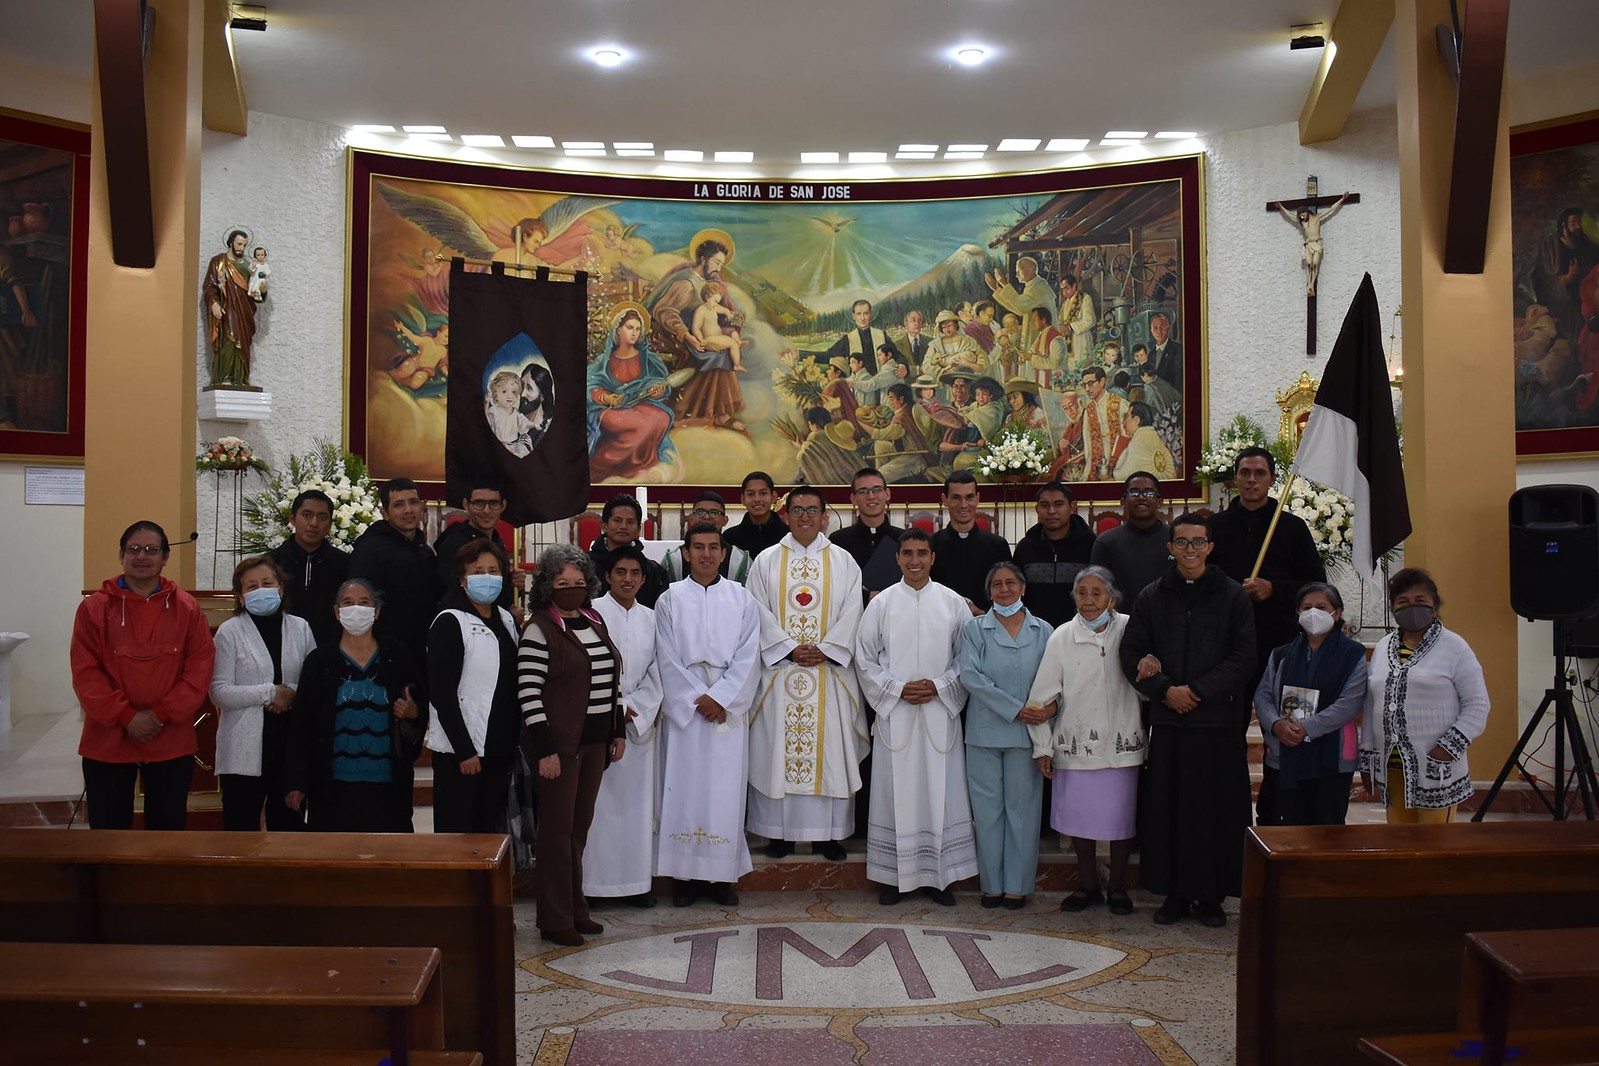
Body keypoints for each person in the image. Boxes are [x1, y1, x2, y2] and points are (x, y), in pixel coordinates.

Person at [1119, 513, 1255, 928]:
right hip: (1172, 725)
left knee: (1216, 813)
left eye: (1198, 542)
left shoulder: (1233, 596)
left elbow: (1243, 657)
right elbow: (1131, 654)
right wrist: (1164, 691)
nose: (1190, 550)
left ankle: (1212, 896)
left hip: (1217, 723)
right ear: (1170, 547)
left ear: (1210, 548)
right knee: (1170, 811)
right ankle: (1175, 893)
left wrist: (1195, 692)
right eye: (1182, 542)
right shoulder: (1151, 596)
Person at [856, 529, 979, 905]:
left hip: (940, 713)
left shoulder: (953, 602)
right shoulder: (882, 604)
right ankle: (894, 878)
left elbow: (967, 656)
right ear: (897, 559)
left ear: (932, 558)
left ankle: (938, 878)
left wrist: (941, 685)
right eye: (907, 553)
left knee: (940, 793)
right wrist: (896, 689)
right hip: (898, 714)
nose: (914, 560)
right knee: (896, 794)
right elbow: (865, 658)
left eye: (921, 553)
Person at [71, 521, 216, 830]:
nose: (142, 556)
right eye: (134, 549)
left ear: (165, 558)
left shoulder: (187, 608)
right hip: (109, 738)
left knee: (167, 832)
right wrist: (126, 716)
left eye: (151, 550)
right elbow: (86, 673)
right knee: (108, 834)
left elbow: (199, 670)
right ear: (121, 555)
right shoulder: (94, 609)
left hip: (169, 737)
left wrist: (160, 713)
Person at [747, 487, 866, 861]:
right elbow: (755, 610)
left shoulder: (844, 561)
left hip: (828, 675)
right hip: (781, 674)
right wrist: (787, 647)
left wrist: (826, 650)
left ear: (824, 517)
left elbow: (853, 612)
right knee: (775, 750)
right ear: (786, 515)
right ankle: (776, 834)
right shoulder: (765, 561)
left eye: (812, 510)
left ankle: (828, 835)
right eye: (797, 510)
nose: (804, 517)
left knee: (829, 750)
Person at [1208, 447, 1326, 825]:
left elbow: (1315, 587)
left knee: (1288, 730)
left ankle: (1280, 813)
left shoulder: (1290, 527)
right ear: (1235, 479)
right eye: (1245, 472)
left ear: (1273, 479)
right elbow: (1203, 580)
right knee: (1228, 732)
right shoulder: (1217, 528)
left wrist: (1274, 588)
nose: (1252, 480)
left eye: (1260, 473)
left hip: (1283, 649)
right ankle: (1230, 813)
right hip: (1229, 649)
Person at [518, 546, 625, 945]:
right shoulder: (539, 628)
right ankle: (554, 916)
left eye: (579, 583)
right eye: (563, 583)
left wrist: (617, 731)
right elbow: (527, 693)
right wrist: (544, 750)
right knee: (557, 834)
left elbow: (610, 680)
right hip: (561, 747)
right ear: (547, 586)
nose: (572, 589)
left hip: (595, 742)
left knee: (578, 831)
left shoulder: (594, 619)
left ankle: (576, 906)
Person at [654, 524, 764, 907]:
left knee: (724, 791)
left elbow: (751, 656)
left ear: (723, 554)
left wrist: (722, 698)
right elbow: (664, 655)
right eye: (697, 547)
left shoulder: (742, 598)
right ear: (685, 553)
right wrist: (694, 699)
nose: (705, 554)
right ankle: (684, 877)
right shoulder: (669, 599)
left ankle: (720, 878)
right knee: (682, 790)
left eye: (712, 548)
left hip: (725, 712)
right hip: (686, 711)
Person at [1027, 566, 1145, 914]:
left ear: (1112, 598)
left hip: (1122, 744)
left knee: (1121, 820)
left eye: (1097, 593)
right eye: (1082, 593)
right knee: (1080, 820)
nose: (1089, 600)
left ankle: (1119, 887)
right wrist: (1042, 745)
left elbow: (1148, 679)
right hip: (1077, 744)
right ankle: (1087, 885)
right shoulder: (1062, 636)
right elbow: (1041, 696)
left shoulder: (1131, 629)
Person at [284, 578, 425, 833]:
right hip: (332, 787)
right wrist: (297, 781)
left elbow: (418, 702)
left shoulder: (396, 654)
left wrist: (414, 713)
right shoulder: (320, 661)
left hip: (388, 786)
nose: (356, 609)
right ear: (337, 613)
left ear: (377, 611)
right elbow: (302, 725)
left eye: (364, 602)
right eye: (348, 603)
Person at [1360, 569, 1490, 824]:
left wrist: (1447, 749)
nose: (1412, 608)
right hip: (1392, 769)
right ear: (1393, 608)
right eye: (1403, 602)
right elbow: (1371, 704)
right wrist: (1368, 757)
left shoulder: (1455, 647)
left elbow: (1477, 704)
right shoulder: (1384, 647)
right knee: (1399, 843)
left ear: (1434, 605)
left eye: (1420, 601)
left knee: (1435, 847)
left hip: (1436, 769)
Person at [957, 562, 1053, 909]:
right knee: (986, 812)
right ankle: (991, 885)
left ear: (1023, 587)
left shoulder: (1044, 631)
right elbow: (970, 676)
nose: (1004, 589)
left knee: (1023, 812)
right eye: (996, 584)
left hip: (1028, 736)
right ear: (989, 591)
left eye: (1010, 582)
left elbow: (1055, 679)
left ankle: (1017, 885)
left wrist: (1046, 709)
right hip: (984, 734)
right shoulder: (973, 630)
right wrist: (1015, 708)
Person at [210, 555, 315, 831]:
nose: (261, 590)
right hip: (243, 750)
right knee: (239, 829)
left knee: (289, 829)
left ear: (280, 588)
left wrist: (290, 694)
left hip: (289, 748)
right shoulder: (229, 632)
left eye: (267, 583)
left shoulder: (300, 627)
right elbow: (219, 692)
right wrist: (270, 693)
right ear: (241, 597)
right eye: (252, 586)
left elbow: (314, 682)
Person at [585, 547, 665, 907]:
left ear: (644, 579)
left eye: (635, 573)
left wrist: (635, 707)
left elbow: (659, 670)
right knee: (599, 807)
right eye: (620, 572)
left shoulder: (652, 618)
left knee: (637, 807)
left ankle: (636, 884)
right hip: (602, 718)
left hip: (638, 723)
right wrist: (617, 707)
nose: (627, 579)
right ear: (608, 576)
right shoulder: (592, 614)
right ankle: (597, 886)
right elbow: (586, 669)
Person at [426, 540, 521, 834]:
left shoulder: (505, 618)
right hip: (462, 751)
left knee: (489, 830)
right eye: (479, 570)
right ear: (462, 578)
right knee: (458, 831)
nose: (488, 577)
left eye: (494, 570)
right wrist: (464, 750)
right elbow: (442, 693)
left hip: (498, 746)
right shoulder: (450, 621)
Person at [1254, 583, 1367, 826]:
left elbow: (1349, 703)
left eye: (1321, 607)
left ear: (1336, 613)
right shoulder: (1281, 654)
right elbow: (1262, 695)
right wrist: (1276, 725)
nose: (1313, 612)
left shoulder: (1353, 654)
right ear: (1298, 613)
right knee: (1284, 826)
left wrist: (1307, 728)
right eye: (1307, 607)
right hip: (1284, 752)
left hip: (1331, 756)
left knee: (1326, 830)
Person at [647, 237, 749, 432]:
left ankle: (718, 413)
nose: (719, 268)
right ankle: (694, 411)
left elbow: (719, 312)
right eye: (717, 262)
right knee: (714, 356)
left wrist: (732, 324)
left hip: (699, 332)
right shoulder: (686, 283)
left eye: (721, 264)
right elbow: (664, 311)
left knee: (723, 350)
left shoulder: (710, 282)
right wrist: (687, 335)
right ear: (703, 259)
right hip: (675, 336)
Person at [348, 477, 441, 688]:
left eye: (413, 502)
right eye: (399, 504)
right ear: (385, 512)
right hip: (384, 653)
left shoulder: (424, 550)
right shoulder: (370, 549)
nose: (408, 510)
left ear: (422, 505)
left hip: (419, 650)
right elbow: (362, 605)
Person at [587, 306, 677, 481]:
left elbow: (660, 384)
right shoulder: (604, 361)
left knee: (660, 418)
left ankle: (639, 466)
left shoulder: (648, 360)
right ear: (618, 330)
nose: (634, 333)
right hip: (610, 410)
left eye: (637, 329)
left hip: (641, 406)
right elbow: (590, 385)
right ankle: (601, 464)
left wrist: (658, 391)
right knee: (640, 425)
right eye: (630, 328)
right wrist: (606, 397)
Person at [270, 488, 350, 648]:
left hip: (331, 649)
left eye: (322, 517)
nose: (314, 523)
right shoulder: (271, 563)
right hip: (281, 646)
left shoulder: (345, 563)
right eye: (307, 515)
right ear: (292, 518)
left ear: (330, 524)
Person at [1012, 481, 1096, 626]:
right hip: (1034, 631)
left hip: (1081, 630)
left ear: (1071, 507)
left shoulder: (1092, 545)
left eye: (1058, 504)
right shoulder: (1025, 548)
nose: (1051, 511)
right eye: (1045, 505)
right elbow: (1016, 594)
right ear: (1037, 509)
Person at [432, 479, 518, 617]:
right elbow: (451, 593)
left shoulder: (497, 541)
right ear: (466, 504)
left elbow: (500, 592)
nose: (486, 510)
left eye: (494, 503)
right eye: (479, 503)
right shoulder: (454, 544)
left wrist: (513, 584)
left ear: (503, 506)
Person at [929, 470, 1012, 614]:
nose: (963, 505)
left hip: (986, 627)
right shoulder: (931, 545)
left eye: (969, 497)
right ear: (944, 499)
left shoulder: (997, 546)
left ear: (978, 499)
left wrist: (981, 614)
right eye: (956, 498)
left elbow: (1008, 593)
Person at [1090, 471, 1171, 603]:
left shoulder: (1175, 538)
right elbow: (1096, 589)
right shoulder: (1106, 542)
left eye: (1149, 492)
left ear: (1160, 502)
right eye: (1134, 492)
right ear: (1123, 501)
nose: (1141, 497)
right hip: (1120, 620)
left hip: (1167, 618)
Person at [830, 467, 905, 601]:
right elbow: (833, 586)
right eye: (863, 491)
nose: (871, 496)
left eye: (877, 489)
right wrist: (865, 596)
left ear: (887, 494)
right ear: (853, 498)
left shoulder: (904, 539)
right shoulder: (838, 541)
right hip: (853, 616)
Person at [587, 493, 671, 607]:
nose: (623, 526)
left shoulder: (654, 572)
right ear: (604, 526)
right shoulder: (587, 567)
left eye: (630, 522)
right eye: (617, 520)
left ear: (638, 529)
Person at [204, 228, 261, 386]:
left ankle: (240, 379)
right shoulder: (219, 262)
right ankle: (225, 378)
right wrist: (214, 302)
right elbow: (209, 286)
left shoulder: (249, 268)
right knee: (228, 340)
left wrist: (261, 291)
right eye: (238, 244)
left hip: (244, 312)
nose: (241, 248)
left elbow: (255, 292)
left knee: (242, 343)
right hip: (227, 309)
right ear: (230, 243)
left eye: (244, 245)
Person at [662, 491, 752, 583]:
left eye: (714, 512)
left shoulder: (739, 560)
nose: (706, 517)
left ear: (725, 520)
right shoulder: (673, 560)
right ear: (691, 518)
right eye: (700, 512)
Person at [1272, 193, 1349, 297]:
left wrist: (1342, 199)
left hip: (1317, 243)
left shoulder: (1317, 217)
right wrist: (1281, 207)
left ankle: (1311, 284)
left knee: (1315, 263)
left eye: (1303, 215)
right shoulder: (1302, 222)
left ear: (1306, 212)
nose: (1302, 217)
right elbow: (1290, 216)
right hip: (1309, 244)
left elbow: (1330, 210)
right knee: (1309, 263)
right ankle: (1309, 285)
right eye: (1300, 216)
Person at [985, 255, 1055, 349]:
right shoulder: (1033, 286)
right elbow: (1017, 308)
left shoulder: (1038, 288)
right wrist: (997, 289)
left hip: (1043, 337)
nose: (1016, 274)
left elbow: (1021, 306)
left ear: (1030, 269)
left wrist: (1004, 284)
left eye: (1019, 271)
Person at [722, 471, 789, 559]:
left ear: (773, 497)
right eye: (751, 494)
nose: (757, 499)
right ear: (743, 499)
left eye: (763, 493)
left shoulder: (788, 535)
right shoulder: (729, 538)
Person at [690, 281, 749, 371]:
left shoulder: (713, 307)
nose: (716, 304)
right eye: (715, 301)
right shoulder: (701, 310)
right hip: (709, 338)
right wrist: (701, 339)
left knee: (732, 331)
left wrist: (729, 314)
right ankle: (736, 365)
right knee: (732, 344)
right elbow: (696, 328)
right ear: (706, 297)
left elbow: (723, 310)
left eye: (718, 301)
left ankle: (739, 342)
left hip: (719, 333)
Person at [822, 299, 890, 376]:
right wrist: (805, 354)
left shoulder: (881, 335)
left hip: (881, 382)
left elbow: (897, 355)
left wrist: (902, 365)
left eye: (866, 313)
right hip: (859, 384)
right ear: (853, 316)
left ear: (870, 314)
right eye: (858, 314)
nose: (862, 318)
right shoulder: (848, 339)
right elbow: (828, 355)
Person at [1112, 400, 1176, 482]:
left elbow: (1120, 476)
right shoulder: (1155, 438)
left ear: (1136, 420)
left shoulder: (1137, 443)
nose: (1123, 423)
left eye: (1126, 417)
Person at [484, 369, 537, 457]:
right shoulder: (493, 411)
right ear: (495, 394)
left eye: (514, 392)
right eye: (504, 391)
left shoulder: (516, 412)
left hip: (514, 445)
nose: (510, 396)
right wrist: (486, 404)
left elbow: (524, 423)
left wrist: (534, 424)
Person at [1057, 274, 1097, 369]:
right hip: (1068, 341)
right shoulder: (1065, 304)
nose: (1064, 292)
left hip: (1081, 339)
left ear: (1074, 286)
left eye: (1066, 288)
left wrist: (1070, 327)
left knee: (1081, 367)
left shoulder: (1084, 298)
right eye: (1062, 289)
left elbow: (1090, 320)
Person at [1146, 312, 1183, 390]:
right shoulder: (1151, 355)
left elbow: (1180, 379)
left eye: (1162, 327)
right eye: (1155, 328)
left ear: (1168, 328)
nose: (1159, 331)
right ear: (1151, 330)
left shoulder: (1178, 350)